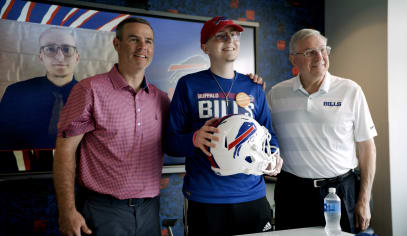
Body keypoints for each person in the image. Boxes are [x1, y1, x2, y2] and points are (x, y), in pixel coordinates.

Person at [165, 16, 283, 236]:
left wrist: (274, 157)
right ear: (205, 46)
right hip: (205, 198)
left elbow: (270, 135)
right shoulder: (188, 85)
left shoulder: (253, 86)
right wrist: (194, 139)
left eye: (235, 34)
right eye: (221, 35)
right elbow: (170, 142)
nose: (230, 39)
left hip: (252, 197)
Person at [53, 17, 170, 236]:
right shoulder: (90, 90)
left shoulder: (161, 99)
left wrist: (252, 85)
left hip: (149, 210)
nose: (143, 47)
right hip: (103, 212)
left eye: (149, 41)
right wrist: (67, 210)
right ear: (117, 44)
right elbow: (64, 151)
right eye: (134, 39)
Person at [267, 28, 377, 233]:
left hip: (341, 191)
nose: (319, 57)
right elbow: (265, 139)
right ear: (293, 59)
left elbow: (367, 147)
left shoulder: (350, 90)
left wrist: (364, 199)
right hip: (292, 193)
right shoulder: (276, 94)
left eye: (322, 49)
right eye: (309, 52)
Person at [0, 27, 80, 171]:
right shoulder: (16, 93)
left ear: (77, 57)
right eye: (51, 49)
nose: (60, 57)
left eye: (67, 49)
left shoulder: (95, 96)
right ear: (41, 56)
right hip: (24, 179)